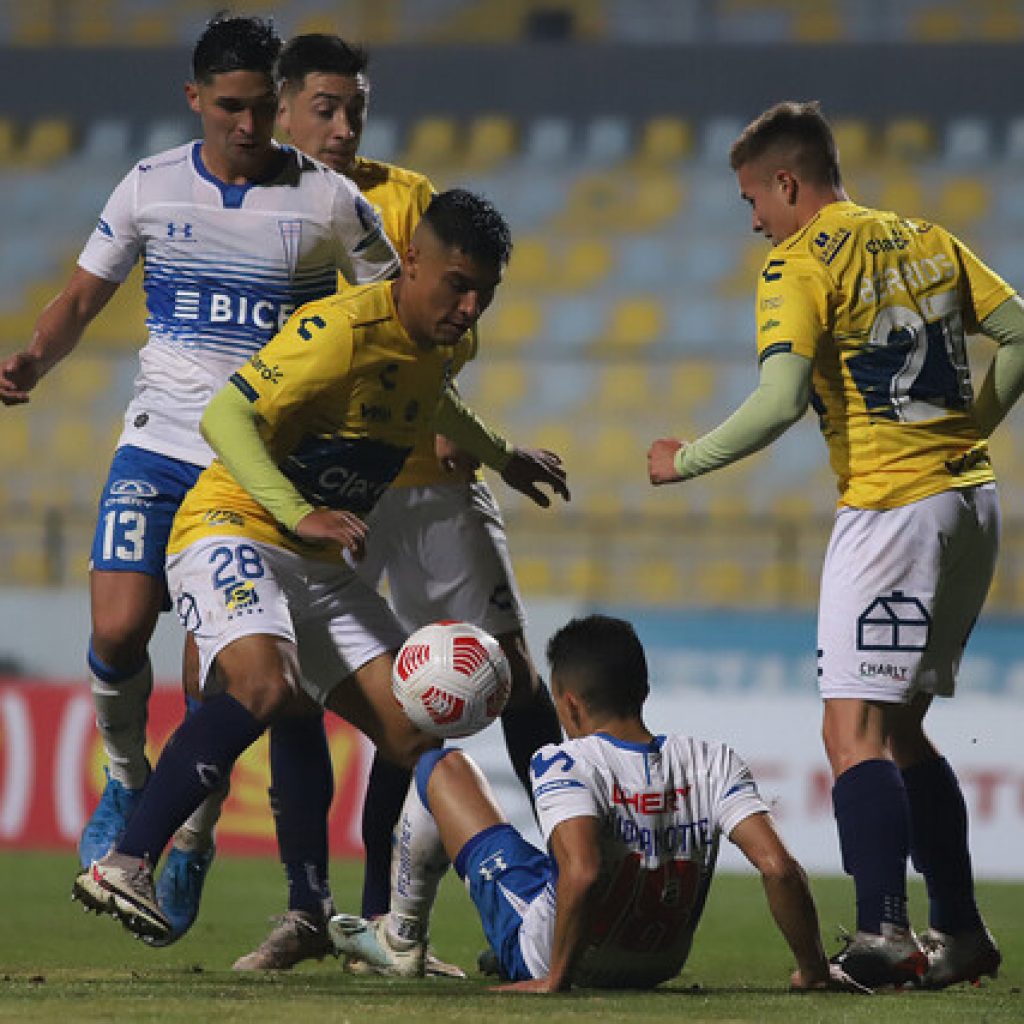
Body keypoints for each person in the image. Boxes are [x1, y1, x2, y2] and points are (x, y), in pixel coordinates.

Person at [71, 188, 570, 946]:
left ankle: (383, 930)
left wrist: (503, 456)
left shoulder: (436, 346)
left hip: (315, 565)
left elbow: (435, 404)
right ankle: (127, 861)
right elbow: (225, 416)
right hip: (231, 527)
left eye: (485, 293)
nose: (470, 308)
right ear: (411, 262)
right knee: (266, 685)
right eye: (458, 285)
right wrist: (297, 510)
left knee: (414, 732)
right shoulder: (339, 330)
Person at [174, 33, 560, 973]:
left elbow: (454, 324)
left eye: (357, 108)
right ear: (279, 110)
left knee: (500, 675)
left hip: (425, 480)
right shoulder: (250, 205)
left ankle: (563, 871)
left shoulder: (407, 199)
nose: (345, 127)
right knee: (297, 692)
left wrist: (471, 431)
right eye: (326, 109)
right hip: (314, 491)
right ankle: (311, 906)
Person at [0, 13, 401, 893]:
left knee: (215, 671)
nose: (247, 126)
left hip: (257, 466)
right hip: (160, 441)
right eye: (229, 108)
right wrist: (34, 357)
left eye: (261, 107)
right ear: (195, 98)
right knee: (116, 629)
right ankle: (127, 777)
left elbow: (398, 315)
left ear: (279, 101)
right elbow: (81, 297)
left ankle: (190, 835)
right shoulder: (150, 186)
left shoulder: (331, 201)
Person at [647, 100, 1024, 990]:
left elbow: (781, 400)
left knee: (849, 730)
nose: (754, 222)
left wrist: (686, 460)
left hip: (892, 510)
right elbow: (1019, 332)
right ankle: (960, 931)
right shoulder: (927, 236)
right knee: (900, 729)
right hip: (971, 503)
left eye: (753, 199)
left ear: (787, 182)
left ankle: (884, 935)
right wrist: (971, 427)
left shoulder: (800, 262)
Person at [329, 614, 864, 993]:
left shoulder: (566, 761)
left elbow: (583, 872)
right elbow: (779, 868)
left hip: (557, 959)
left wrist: (555, 980)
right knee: (548, 862)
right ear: (643, 690)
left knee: (439, 767)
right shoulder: (713, 760)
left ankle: (401, 939)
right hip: (657, 964)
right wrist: (814, 971)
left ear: (568, 703)